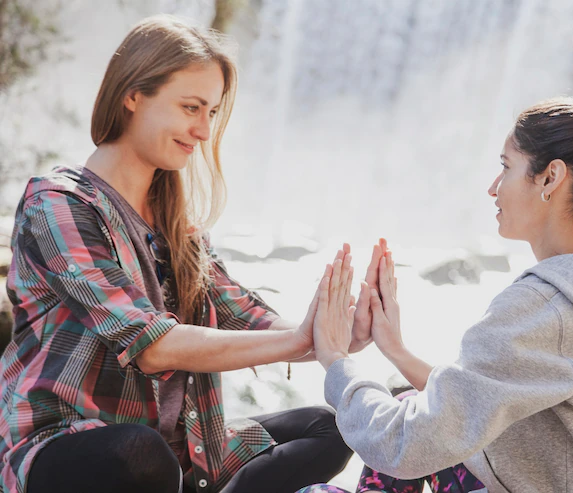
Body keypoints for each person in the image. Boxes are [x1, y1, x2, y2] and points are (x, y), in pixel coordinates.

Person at [0, 15, 380, 493]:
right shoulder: (57, 203)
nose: (203, 130)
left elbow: (251, 319)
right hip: (73, 445)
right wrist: (304, 338)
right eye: (190, 107)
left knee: (331, 427)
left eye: (213, 113)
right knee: (141, 454)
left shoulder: (179, 227)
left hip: (184, 452)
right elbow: (152, 345)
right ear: (133, 95)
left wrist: (338, 332)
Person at [304, 98, 573, 493]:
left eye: (506, 167)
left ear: (550, 178)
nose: (493, 188)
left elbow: (404, 445)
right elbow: (473, 406)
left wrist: (336, 360)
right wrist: (396, 350)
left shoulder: (542, 308)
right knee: (408, 398)